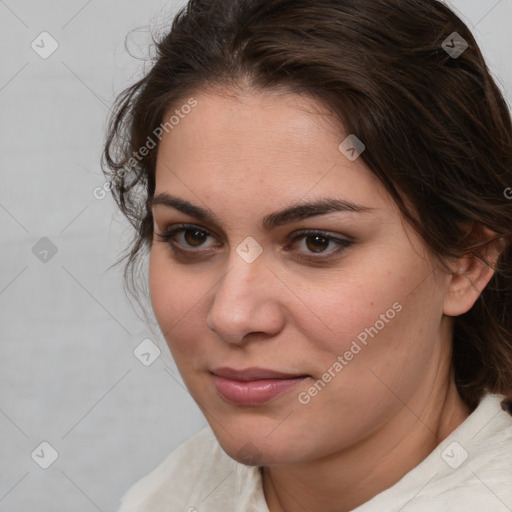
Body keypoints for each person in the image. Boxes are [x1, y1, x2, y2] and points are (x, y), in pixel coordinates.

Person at [102, 0, 512, 510]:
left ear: (466, 260)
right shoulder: (165, 497)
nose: (232, 316)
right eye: (192, 236)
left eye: (317, 242)